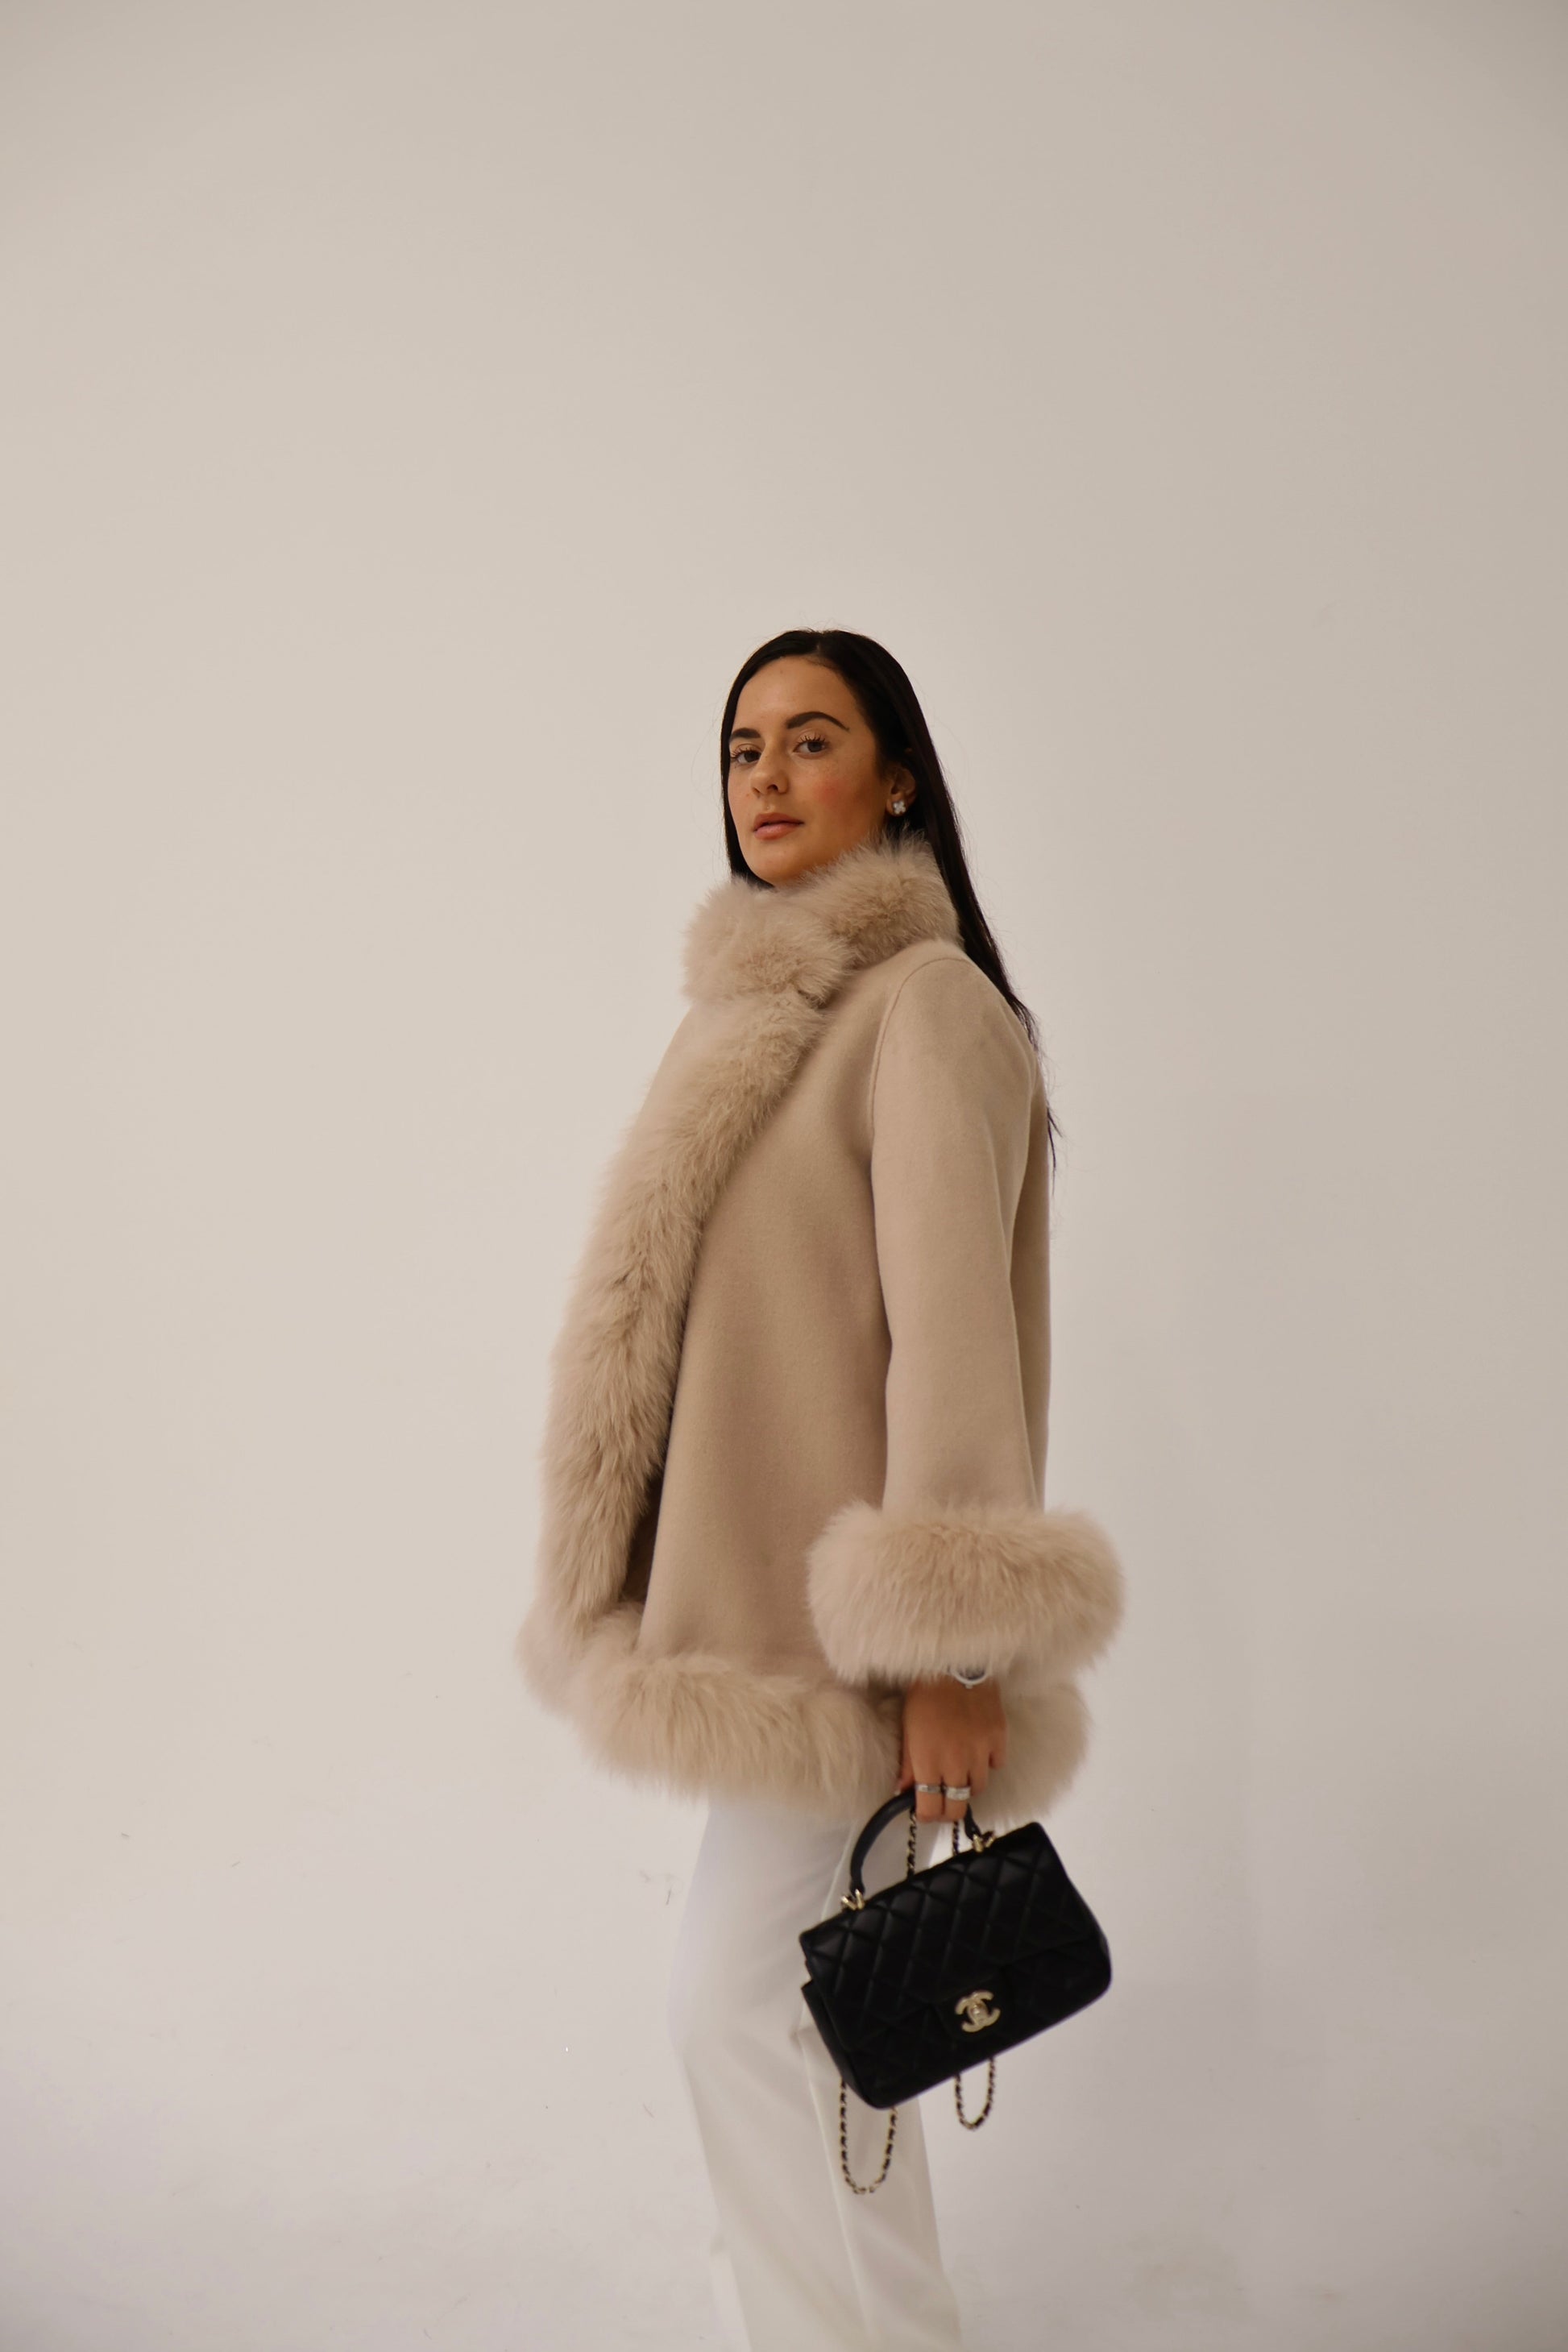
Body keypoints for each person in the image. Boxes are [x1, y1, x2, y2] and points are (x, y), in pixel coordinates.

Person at [516, 628, 1126, 2350]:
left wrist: (953, 1647)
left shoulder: (924, 1008)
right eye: (742, 748)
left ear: (898, 775)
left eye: (810, 739)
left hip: (862, 1653)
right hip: (757, 1623)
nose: (766, 778)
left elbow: (953, 1341)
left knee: (733, 2011)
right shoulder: (747, 1027)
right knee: (833, 2036)